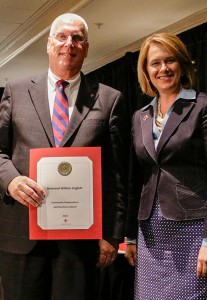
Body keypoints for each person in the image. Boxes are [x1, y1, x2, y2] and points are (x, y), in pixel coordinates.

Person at [0, 13, 129, 300]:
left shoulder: (109, 99)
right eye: (61, 36)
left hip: (81, 241)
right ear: (48, 44)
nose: (68, 44)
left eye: (77, 38)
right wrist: (10, 181)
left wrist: (111, 234)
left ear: (86, 47)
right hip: (22, 235)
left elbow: (116, 174)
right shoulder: (16, 91)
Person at [125, 32, 207, 299]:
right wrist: (130, 236)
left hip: (194, 229)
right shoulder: (139, 116)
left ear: (183, 65)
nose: (163, 68)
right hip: (150, 231)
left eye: (170, 60)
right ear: (146, 70)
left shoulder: (206, 105)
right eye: (155, 63)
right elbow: (136, 179)